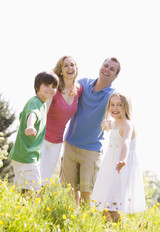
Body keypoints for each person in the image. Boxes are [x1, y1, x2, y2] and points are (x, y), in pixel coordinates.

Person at [60, 57, 121, 205]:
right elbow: (65, 94)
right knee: (68, 191)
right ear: (100, 66)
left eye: (112, 69)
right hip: (70, 144)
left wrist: (109, 122)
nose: (107, 70)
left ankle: (85, 224)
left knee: (87, 193)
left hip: (91, 151)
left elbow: (116, 113)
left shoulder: (112, 95)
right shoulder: (83, 84)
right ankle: (70, 224)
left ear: (116, 76)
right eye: (105, 66)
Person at [91, 92, 146, 222]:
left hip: (120, 165)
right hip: (110, 164)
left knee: (112, 202)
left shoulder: (127, 125)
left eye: (119, 105)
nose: (115, 108)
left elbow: (125, 142)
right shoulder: (115, 123)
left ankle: (119, 229)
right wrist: (105, 125)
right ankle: (109, 230)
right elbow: (107, 125)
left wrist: (123, 159)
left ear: (126, 107)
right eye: (112, 105)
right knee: (104, 202)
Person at [9, 71, 59, 194]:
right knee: (33, 190)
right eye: (46, 85)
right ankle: (26, 211)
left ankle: (18, 210)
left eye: (53, 86)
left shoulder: (41, 104)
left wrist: (25, 122)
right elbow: (32, 115)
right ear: (37, 87)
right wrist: (30, 125)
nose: (50, 89)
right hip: (26, 155)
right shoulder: (35, 102)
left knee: (24, 188)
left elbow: (22, 116)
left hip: (25, 154)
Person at [40, 56, 83, 185]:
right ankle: (24, 203)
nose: (70, 68)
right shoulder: (54, 88)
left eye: (72, 65)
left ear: (76, 68)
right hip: (42, 137)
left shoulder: (79, 90)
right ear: (61, 71)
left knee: (46, 178)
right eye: (65, 66)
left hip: (57, 140)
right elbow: (44, 110)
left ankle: (37, 204)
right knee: (35, 174)